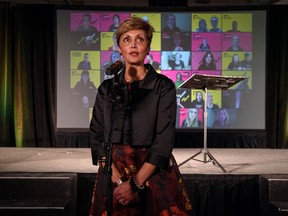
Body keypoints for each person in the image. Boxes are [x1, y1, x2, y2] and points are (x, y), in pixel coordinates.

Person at [89, 17, 193, 216]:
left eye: (140, 39)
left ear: (148, 47)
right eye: (126, 39)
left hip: (152, 172)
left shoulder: (163, 86)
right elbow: (97, 136)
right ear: (119, 48)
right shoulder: (107, 88)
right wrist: (120, 182)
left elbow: (164, 141)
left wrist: (135, 185)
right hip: (113, 173)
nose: (133, 44)